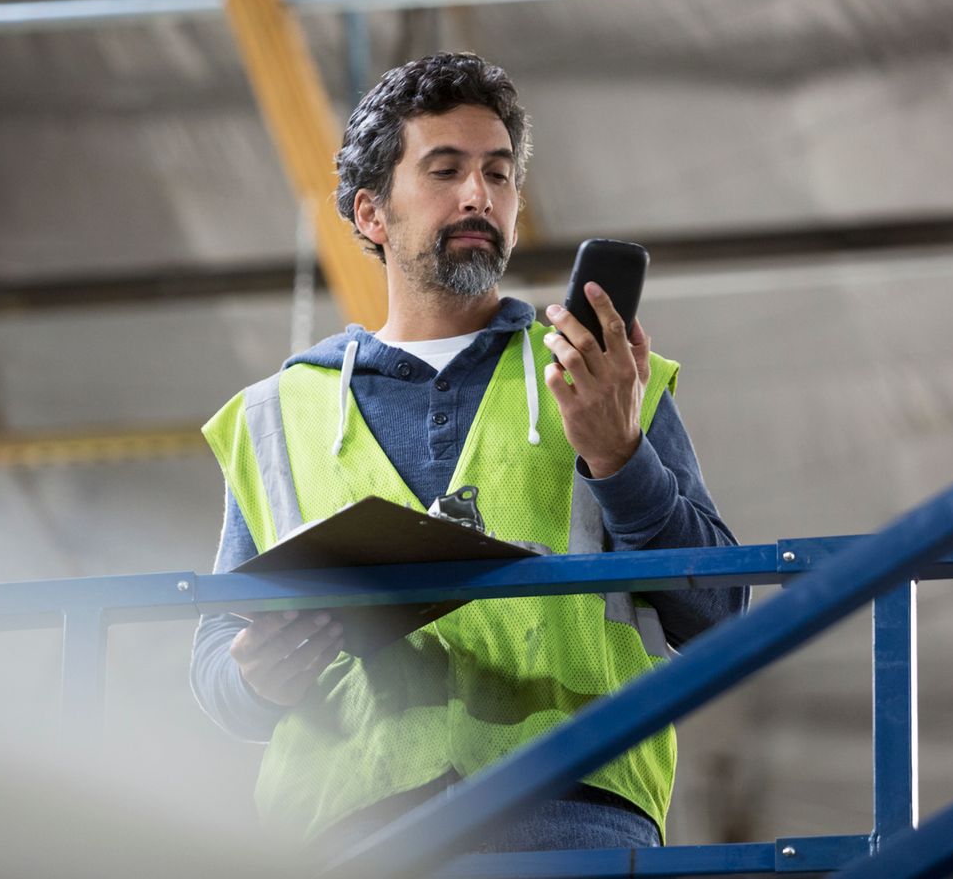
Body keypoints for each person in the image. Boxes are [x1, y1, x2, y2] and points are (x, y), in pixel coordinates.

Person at [191, 52, 745, 854]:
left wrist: (622, 457)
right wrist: (253, 676)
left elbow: (719, 613)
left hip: (572, 823)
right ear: (371, 214)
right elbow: (216, 661)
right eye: (445, 170)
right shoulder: (275, 416)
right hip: (346, 837)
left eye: (499, 173)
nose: (479, 195)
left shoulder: (605, 378)